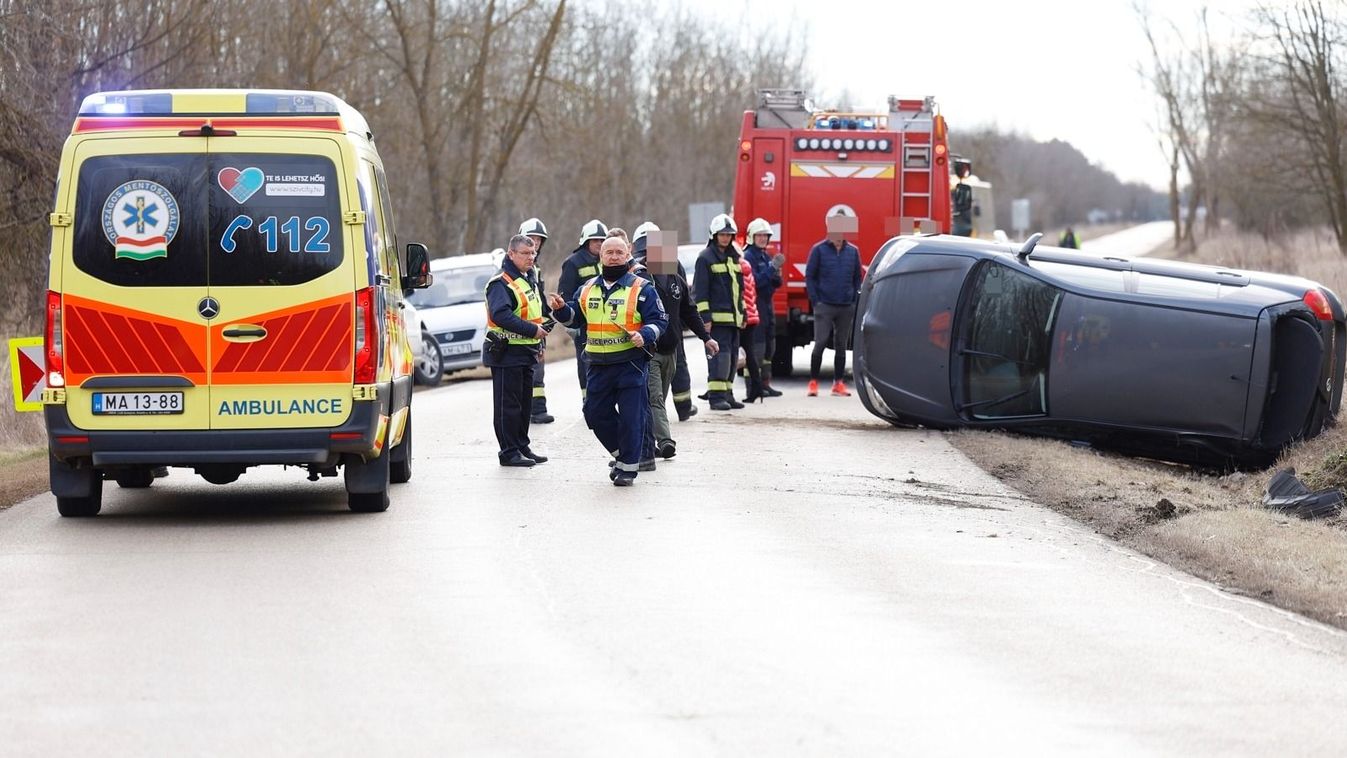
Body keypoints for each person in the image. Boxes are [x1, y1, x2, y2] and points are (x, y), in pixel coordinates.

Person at [548, 236, 668, 486]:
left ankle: (628, 470)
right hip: (598, 366)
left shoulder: (642, 287)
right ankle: (622, 455)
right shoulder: (587, 288)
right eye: (608, 252)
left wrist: (644, 335)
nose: (613, 256)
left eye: (618, 252)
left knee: (631, 418)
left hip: (631, 364)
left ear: (627, 255)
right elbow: (575, 320)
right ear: (600, 256)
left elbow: (659, 321)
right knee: (594, 413)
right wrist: (561, 310)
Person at [632, 223, 718, 466]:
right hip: (646, 352)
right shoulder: (635, 280)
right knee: (654, 399)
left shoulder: (675, 279)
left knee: (656, 400)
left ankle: (645, 445)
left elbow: (690, 312)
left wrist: (706, 338)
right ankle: (664, 442)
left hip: (671, 350)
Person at [484, 235, 551, 467]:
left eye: (533, 253)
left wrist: (540, 338)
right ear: (511, 254)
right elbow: (500, 314)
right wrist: (533, 331)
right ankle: (509, 451)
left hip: (525, 351)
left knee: (523, 405)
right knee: (508, 406)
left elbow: (534, 313)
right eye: (525, 253)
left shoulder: (526, 279)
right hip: (506, 353)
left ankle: (522, 446)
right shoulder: (500, 283)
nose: (531, 258)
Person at [805, 210, 862, 397]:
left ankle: (838, 384)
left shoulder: (853, 252)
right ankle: (813, 382)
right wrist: (816, 301)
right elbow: (810, 276)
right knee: (820, 342)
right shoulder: (818, 250)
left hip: (845, 306)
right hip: (825, 305)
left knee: (841, 345)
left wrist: (853, 299)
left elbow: (857, 278)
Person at [694, 213, 746, 411]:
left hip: (734, 319)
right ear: (714, 235)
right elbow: (700, 292)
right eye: (722, 234)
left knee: (733, 359)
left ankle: (728, 394)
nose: (726, 237)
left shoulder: (734, 258)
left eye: (729, 234)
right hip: (716, 321)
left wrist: (744, 312)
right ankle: (716, 397)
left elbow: (739, 290)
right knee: (719, 358)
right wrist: (705, 319)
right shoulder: (705, 258)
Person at [557, 219, 608, 399]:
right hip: (584, 324)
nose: (600, 244)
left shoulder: (608, 259)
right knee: (586, 363)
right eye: (596, 241)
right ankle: (589, 399)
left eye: (603, 241)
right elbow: (565, 295)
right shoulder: (573, 263)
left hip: (608, 323)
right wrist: (571, 324)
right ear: (586, 242)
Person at [741, 217, 784, 397]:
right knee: (756, 350)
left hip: (767, 305)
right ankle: (753, 387)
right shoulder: (748, 256)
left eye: (766, 236)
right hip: (755, 306)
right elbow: (756, 282)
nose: (763, 239)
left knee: (769, 348)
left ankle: (765, 384)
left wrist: (776, 272)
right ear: (752, 236)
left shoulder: (765, 256)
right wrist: (771, 269)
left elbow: (775, 282)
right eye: (759, 235)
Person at [518, 217, 554, 424]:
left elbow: (537, 296)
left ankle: (538, 409)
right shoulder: (515, 268)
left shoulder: (536, 268)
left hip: (538, 324)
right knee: (531, 369)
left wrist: (548, 315)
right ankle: (533, 410)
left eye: (539, 240)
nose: (535, 242)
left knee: (538, 368)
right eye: (531, 238)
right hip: (524, 327)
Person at [738, 255, 764, 402]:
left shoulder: (738, 268)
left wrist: (742, 315)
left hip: (744, 316)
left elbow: (739, 295)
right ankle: (757, 388)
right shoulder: (747, 266)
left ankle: (756, 388)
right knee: (750, 353)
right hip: (752, 314)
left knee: (737, 353)